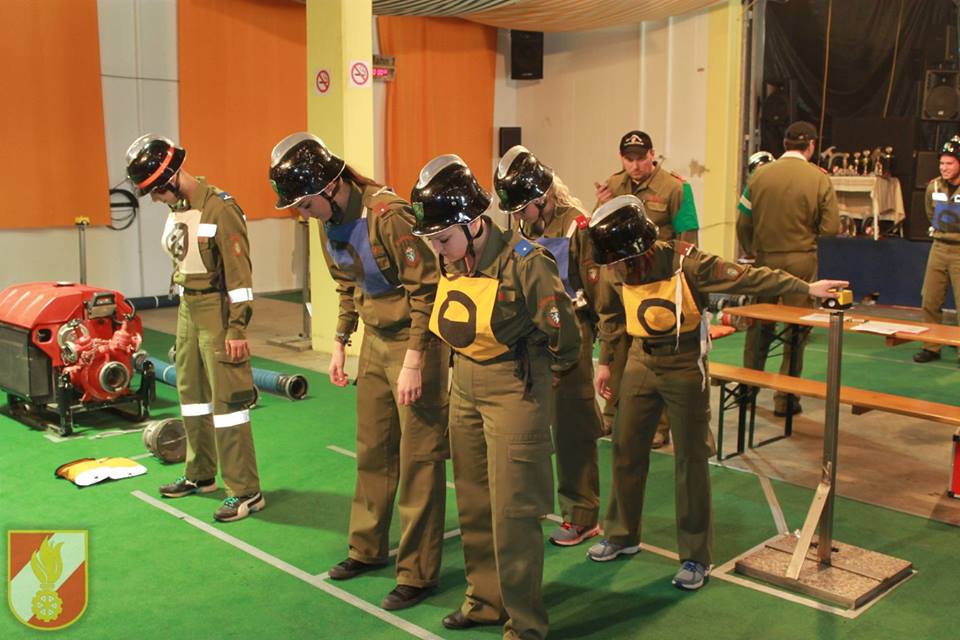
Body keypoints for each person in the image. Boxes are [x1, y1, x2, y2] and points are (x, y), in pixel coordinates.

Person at [586, 195, 848, 591]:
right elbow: (610, 313)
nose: (613, 268)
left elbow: (749, 278)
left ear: (638, 248)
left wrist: (806, 287)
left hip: (683, 364)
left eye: (619, 261)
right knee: (625, 448)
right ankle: (622, 534)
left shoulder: (687, 263)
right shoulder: (614, 267)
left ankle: (695, 556)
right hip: (640, 359)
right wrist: (607, 361)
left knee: (691, 459)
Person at [269, 133, 449, 611]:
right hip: (374, 341)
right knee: (373, 450)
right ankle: (367, 548)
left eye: (305, 203)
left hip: (416, 342)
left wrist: (415, 361)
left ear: (331, 186)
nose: (303, 213)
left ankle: (417, 572)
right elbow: (347, 284)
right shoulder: (327, 221)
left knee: (419, 458)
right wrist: (340, 340)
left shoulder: (388, 216)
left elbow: (427, 292)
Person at [411, 154, 580, 639]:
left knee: (514, 512)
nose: (438, 250)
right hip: (465, 382)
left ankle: (525, 625)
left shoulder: (526, 262)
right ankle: (485, 601)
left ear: (473, 223)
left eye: (443, 238)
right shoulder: (450, 256)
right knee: (474, 501)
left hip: (515, 387)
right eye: (432, 240)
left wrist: (543, 382)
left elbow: (565, 336)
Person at [125, 134, 264, 522]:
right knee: (192, 397)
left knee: (228, 405)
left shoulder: (220, 208)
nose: (155, 199)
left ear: (171, 176)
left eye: (156, 190)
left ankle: (246, 491)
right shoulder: (180, 209)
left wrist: (237, 329)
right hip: (188, 308)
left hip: (217, 313)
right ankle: (200, 474)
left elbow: (240, 278)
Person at [494, 145, 604, 548]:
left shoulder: (577, 227)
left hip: (570, 337)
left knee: (573, 429)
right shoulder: (525, 228)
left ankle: (582, 515)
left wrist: (605, 355)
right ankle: (536, 503)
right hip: (532, 337)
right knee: (531, 426)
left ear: (542, 198)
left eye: (522, 209)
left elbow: (598, 294)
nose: (517, 217)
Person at [594, 130, 700, 446]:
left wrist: (682, 282)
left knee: (658, 355)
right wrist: (602, 206)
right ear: (621, 158)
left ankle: (659, 425)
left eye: (641, 158)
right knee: (617, 344)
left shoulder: (676, 188)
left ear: (652, 154)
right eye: (629, 159)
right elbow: (599, 233)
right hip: (623, 283)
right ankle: (613, 413)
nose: (636, 165)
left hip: (658, 285)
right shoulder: (613, 185)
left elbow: (689, 240)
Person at [736, 121, 840, 416]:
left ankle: (747, 390)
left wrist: (752, 249)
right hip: (801, 261)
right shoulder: (819, 178)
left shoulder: (759, 175)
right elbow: (831, 228)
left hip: (765, 260)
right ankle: (786, 399)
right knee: (796, 330)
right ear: (811, 146)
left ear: (784, 144)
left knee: (759, 326)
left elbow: (743, 221)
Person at [914, 135, 960, 365]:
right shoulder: (933, 186)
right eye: (941, 163)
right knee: (930, 300)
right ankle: (931, 346)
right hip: (939, 247)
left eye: (949, 163)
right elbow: (930, 213)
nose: (944, 167)